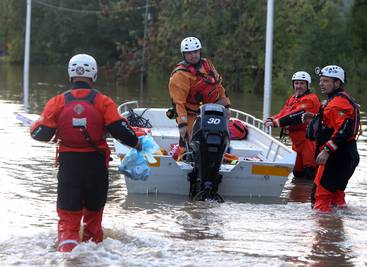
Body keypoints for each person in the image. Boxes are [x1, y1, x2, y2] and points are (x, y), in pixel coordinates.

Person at [30, 54, 142, 252]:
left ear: (70, 75)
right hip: (96, 166)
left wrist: (36, 125)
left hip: (69, 167)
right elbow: (122, 132)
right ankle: (95, 256)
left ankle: (67, 256)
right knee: (93, 220)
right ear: (94, 74)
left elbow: (40, 134)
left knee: (68, 221)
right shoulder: (103, 102)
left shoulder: (57, 102)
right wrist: (139, 144)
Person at [302, 65, 360, 212]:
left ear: (337, 83)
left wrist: (327, 150)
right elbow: (337, 123)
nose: (321, 84)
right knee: (336, 197)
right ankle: (337, 231)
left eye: (326, 81)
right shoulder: (340, 100)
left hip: (337, 157)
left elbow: (344, 129)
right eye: (321, 80)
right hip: (346, 155)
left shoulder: (337, 103)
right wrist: (315, 119)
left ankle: (324, 233)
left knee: (319, 198)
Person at [168, 36, 231, 154]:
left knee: (222, 138)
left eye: (195, 52)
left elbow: (218, 86)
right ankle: (184, 156)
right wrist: (182, 124)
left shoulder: (207, 64)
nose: (193, 55)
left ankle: (222, 155)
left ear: (199, 51)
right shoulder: (180, 75)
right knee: (190, 144)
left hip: (213, 110)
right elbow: (178, 102)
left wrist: (226, 105)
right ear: (184, 55)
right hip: (193, 114)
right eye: (189, 53)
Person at [264, 71, 320, 179]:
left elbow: (296, 115)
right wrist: (273, 118)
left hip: (309, 141)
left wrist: (276, 122)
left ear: (307, 85)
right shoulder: (293, 98)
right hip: (296, 141)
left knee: (310, 173)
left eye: (302, 83)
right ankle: (297, 195)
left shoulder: (310, 99)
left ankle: (310, 195)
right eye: (296, 83)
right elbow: (284, 112)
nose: (298, 86)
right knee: (297, 174)